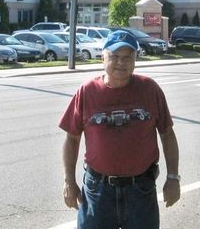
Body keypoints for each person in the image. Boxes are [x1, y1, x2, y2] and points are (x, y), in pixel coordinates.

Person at [60, 30, 181, 228]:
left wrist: (173, 178)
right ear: (103, 57)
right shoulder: (87, 91)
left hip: (140, 190)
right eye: (114, 56)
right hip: (97, 191)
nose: (121, 63)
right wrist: (69, 181)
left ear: (135, 59)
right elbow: (72, 138)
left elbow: (167, 134)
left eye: (127, 57)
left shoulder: (150, 89)